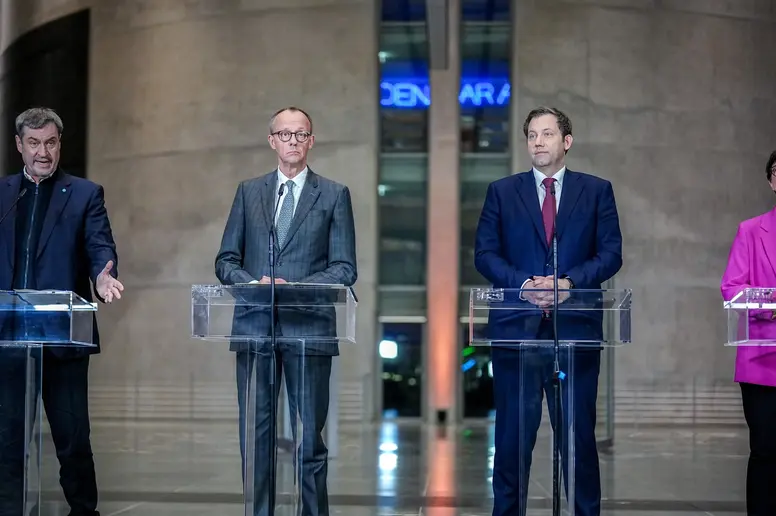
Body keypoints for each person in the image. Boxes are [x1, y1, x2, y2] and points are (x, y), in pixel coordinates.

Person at [474, 106, 622, 516]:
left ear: (566, 142)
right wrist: (525, 285)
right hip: (515, 335)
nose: (538, 142)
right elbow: (484, 254)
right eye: (532, 136)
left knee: (578, 443)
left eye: (547, 134)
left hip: (575, 333)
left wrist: (568, 282)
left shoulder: (597, 191)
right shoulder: (502, 191)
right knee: (510, 444)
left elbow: (611, 254)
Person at [215, 106, 357, 516]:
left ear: (311, 141)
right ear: (271, 140)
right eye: (285, 134)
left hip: (309, 331)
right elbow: (226, 260)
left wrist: (294, 288)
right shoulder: (249, 191)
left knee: (308, 441)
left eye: (301, 134)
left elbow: (344, 269)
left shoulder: (333, 194)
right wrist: (252, 284)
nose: (292, 141)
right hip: (255, 330)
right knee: (257, 442)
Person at [0, 107, 123, 516]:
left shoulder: (85, 193)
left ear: (59, 144)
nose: (43, 152)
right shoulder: (3, 193)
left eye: (50, 142)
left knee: (72, 439)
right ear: (19, 145)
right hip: (9, 338)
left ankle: (84, 510)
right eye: (33, 143)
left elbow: (99, 247)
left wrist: (104, 278)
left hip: (62, 336)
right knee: (8, 439)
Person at [720, 151, 776, 516]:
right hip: (763, 362)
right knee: (767, 452)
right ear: (772, 181)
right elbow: (731, 289)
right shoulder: (751, 230)